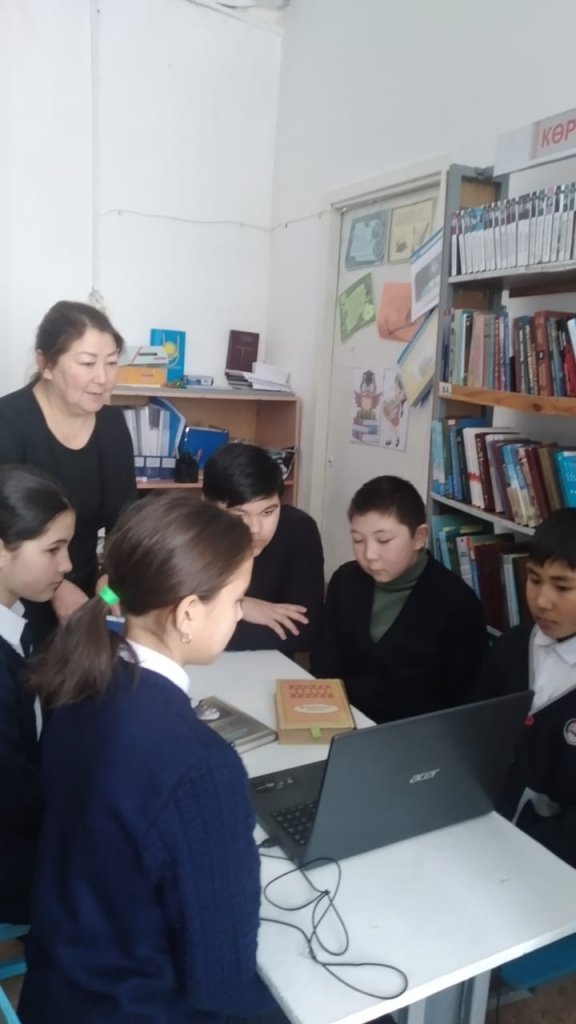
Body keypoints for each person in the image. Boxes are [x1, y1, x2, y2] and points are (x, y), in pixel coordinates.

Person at [19, 494, 275, 1024]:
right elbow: (221, 980)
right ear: (188, 613)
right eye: (237, 600)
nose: (239, 614)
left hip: (58, 989)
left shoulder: (77, 678)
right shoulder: (201, 765)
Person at [0, 300, 136, 625]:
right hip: (16, 594)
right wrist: (58, 588)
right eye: (87, 363)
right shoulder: (9, 421)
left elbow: (125, 519)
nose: (103, 378)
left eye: (112, 363)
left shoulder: (112, 425)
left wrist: (110, 579)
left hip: (88, 588)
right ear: (45, 364)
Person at [311, 475, 488, 723]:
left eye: (384, 540)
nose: (369, 554)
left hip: (413, 735)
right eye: (358, 540)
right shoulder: (345, 581)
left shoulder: (457, 604)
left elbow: (463, 701)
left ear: (419, 537)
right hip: (340, 723)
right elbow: (324, 664)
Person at [475, 509, 576, 869]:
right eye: (534, 579)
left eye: (562, 587)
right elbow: (473, 734)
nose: (542, 600)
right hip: (484, 830)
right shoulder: (513, 646)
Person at [0, 464, 75, 923]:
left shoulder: (17, 620)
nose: (66, 566)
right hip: (14, 866)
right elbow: (15, 797)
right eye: (53, 549)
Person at [202, 442, 324, 656]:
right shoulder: (185, 534)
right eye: (239, 515)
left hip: (268, 666)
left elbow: (301, 631)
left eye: (268, 512)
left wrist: (211, 617)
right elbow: (161, 619)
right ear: (207, 506)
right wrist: (239, 606)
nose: (256, 529)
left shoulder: (298, 531)